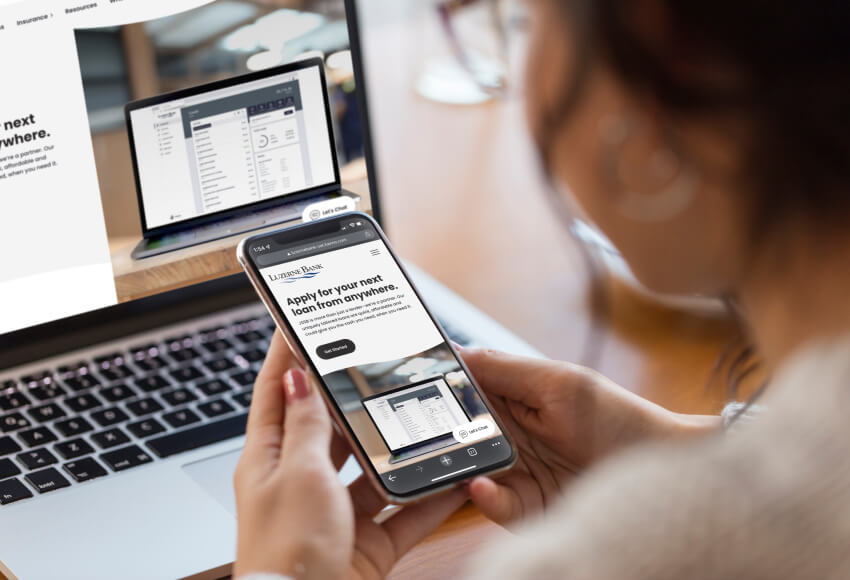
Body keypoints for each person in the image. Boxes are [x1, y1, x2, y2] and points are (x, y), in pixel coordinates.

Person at [232, 1, 850, 578]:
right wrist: (678, 443)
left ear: (659, 77)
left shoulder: (649, 552)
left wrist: (281, 568)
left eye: (527, 21)